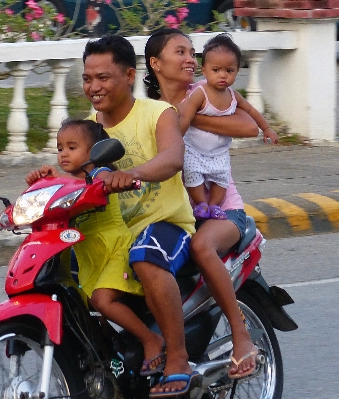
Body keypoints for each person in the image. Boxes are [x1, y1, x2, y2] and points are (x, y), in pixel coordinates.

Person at [144, 28, 277, 385]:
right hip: (171, 212)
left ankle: (240, 333)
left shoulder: (202, 94)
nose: (191, 59)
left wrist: (185, 116)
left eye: (191, 52)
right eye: (181, 52)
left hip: (222, 210)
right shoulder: (143, 107)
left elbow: (249, 126)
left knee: (203, 247)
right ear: (156, 64)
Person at [82, 34, 200, 397]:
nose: (94, 87)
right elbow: (77, 170)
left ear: (129, 75)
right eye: (88, 78)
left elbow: (171, 158)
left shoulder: (157, 113)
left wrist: (132, 174)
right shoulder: (90, 124)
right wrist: (43, 182)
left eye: (104, 77)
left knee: (146, 257)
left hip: (166, 224)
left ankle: (177, 357)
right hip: (118, 230)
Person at [25, 119, 169, 377]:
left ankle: (151, 340)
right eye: (59, 149)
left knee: (103, 301)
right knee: (83, 308)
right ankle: (112, 354)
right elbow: (50, 200)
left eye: (72, 147)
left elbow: (101, 180)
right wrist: (41, 182)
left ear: (94, 152)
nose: (64, 153)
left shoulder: (99, 173)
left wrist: (113, 181)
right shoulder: (67, 183)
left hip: (114, 250)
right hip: (89, 259)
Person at [178, 33, 279, 221]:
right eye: (216, 70)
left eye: (229, 70)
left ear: (237, 71)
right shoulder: (200, 93)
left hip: (219, 152)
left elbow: (253, 112)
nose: (222, 75)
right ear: (205, 70)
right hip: (194, 149)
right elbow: (186, 117)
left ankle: (215, 205)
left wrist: (267, 128)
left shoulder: (233, 96)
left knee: (221, 179)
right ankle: (201, 203)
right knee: (192, 174)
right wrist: (176, 139)